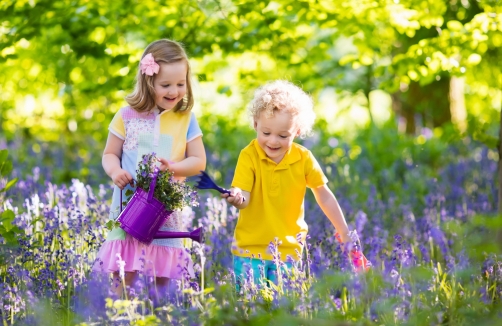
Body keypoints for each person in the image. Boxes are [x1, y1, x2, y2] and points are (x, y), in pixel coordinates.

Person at [222, 80, 368, 290]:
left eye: (283, 135)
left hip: (289, 251)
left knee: (284, 310)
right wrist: (237, 197)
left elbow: (324, 195)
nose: (273, 141)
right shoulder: (249, 156)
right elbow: (244, 194)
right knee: (250, 311)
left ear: (297, 131)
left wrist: (344, 232)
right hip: (249, 250)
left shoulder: (303, 158)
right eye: (266, 133)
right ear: (255, 124)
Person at [92, 39, 206, 300]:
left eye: (180, 84)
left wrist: (175, 167)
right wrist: (114, 172)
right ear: (148, 81)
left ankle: (161, 313)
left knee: (163, 270)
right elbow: (110, 153)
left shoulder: (185, 118)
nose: (174, 91)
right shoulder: (126, 115)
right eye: (166, 85)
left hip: (164, 206)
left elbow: (199, 160)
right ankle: (120, 314)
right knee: (125, 268)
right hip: (128, 204)